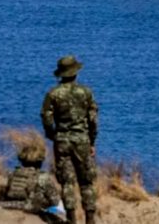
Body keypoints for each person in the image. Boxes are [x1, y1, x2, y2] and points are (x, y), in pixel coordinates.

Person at [41, 55, 98, 224]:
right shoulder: (86, 92)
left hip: (62, 140)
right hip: (82, 140)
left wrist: (52, 134)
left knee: (67, 182)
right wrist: (92, 141)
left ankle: (71, 218)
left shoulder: (53, 94)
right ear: (75, 72)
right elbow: (93, 119)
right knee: (86, 182)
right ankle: (90, 219)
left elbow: (46, 117)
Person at [0, 144, 66, 224]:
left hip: (8, 205)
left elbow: (7, 192)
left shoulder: (13, 173)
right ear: (39, 161)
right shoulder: (42, 176)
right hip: (30, 207)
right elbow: (55, 201)